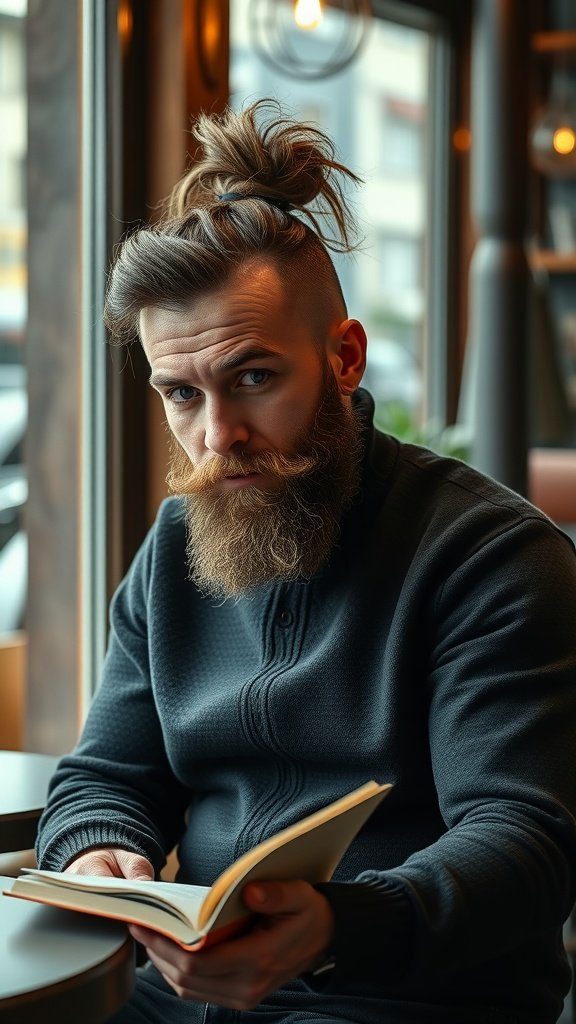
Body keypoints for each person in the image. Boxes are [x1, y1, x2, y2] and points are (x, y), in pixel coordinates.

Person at [36, 99, 576, 1024]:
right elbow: (107, 778)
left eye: (253, 377)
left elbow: (526, 843)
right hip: (178, 994)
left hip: (400, 998)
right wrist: (97, 850)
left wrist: (335, 929)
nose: (219, 436)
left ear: (346, 357)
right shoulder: (174, 550)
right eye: (180, 392)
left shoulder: (494, 558)